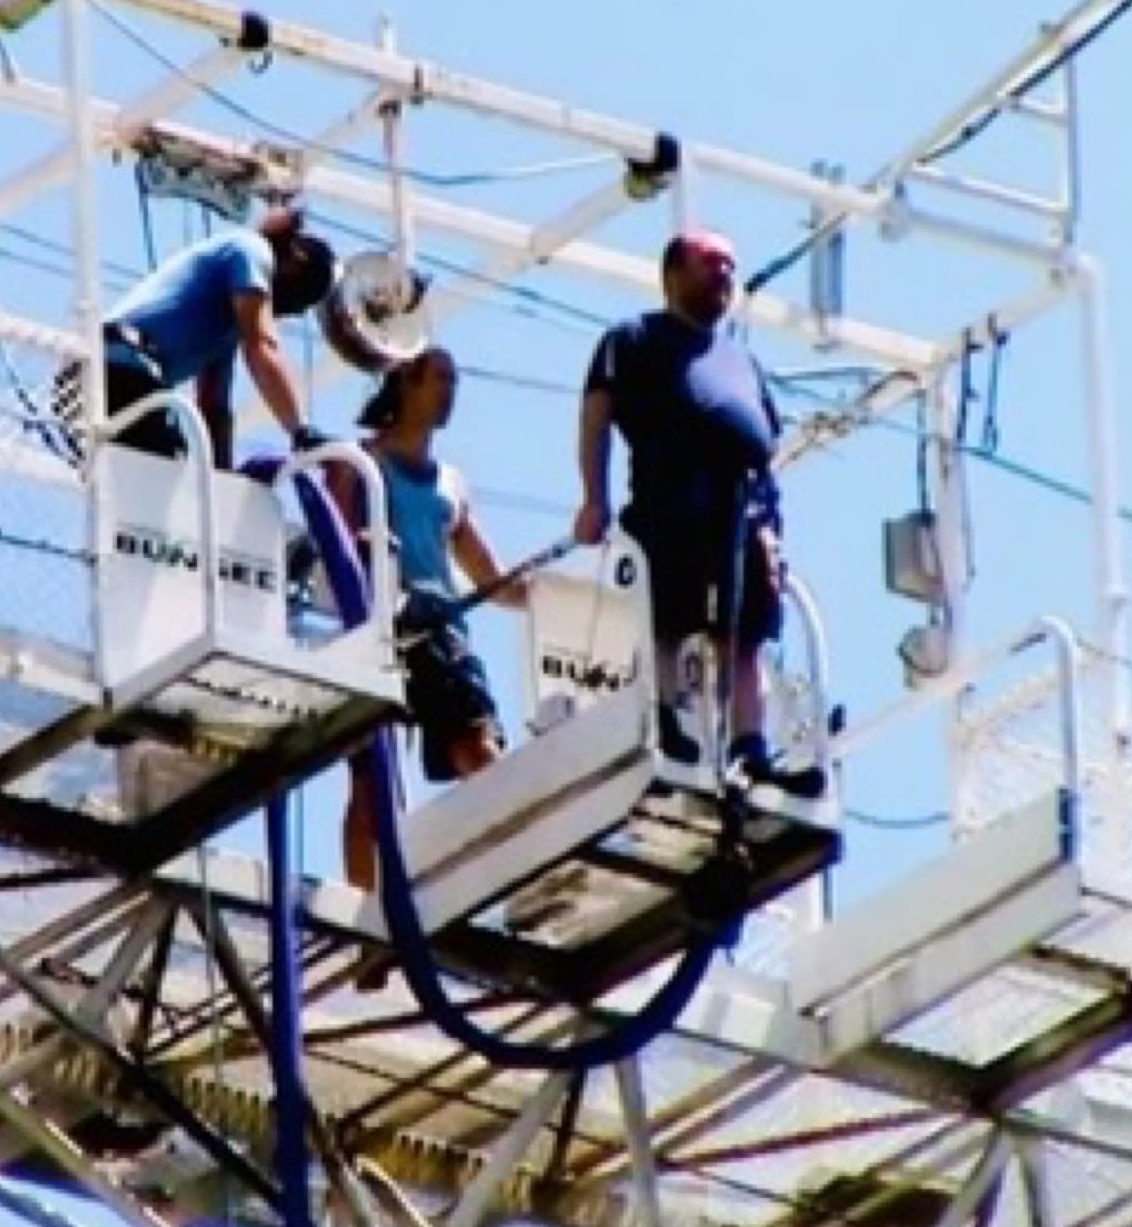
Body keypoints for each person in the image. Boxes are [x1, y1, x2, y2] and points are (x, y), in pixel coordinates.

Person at [573, 227, 818, 792]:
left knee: (748, 631)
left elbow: (766, 448)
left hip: (743, 511)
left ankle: (750, 745)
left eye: (731, 266)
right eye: (712, 263)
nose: (725, 275)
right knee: (669, 617)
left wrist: (773, 531)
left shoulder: (742, 360)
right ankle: (663, 720)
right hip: (671, 497)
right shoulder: (631, 338)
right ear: (673, 273)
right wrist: (594, 497)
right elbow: (596, 417)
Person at [329, 347, 526, 890]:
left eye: (454, 379)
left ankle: (505, 876)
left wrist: (552, 598)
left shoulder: (451, 485)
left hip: (440, 632)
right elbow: (337, 546)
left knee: (478, 751)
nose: (449, 390)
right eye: (440, 377)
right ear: (407, 384)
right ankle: (368, 920)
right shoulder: (361, 465)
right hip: (383, 631)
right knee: (371, 785)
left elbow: (488, 574)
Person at [61, 206, 338, 469]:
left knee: (156, 487)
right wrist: (301, 431)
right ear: (296, 263)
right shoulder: (251, 250)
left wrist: (223, 482)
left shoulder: (222, 330)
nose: (288, 312)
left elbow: (214, 409)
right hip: (118, 370)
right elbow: (261, 346)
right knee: (165, 475)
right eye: (301, 299)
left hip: (97, 381)